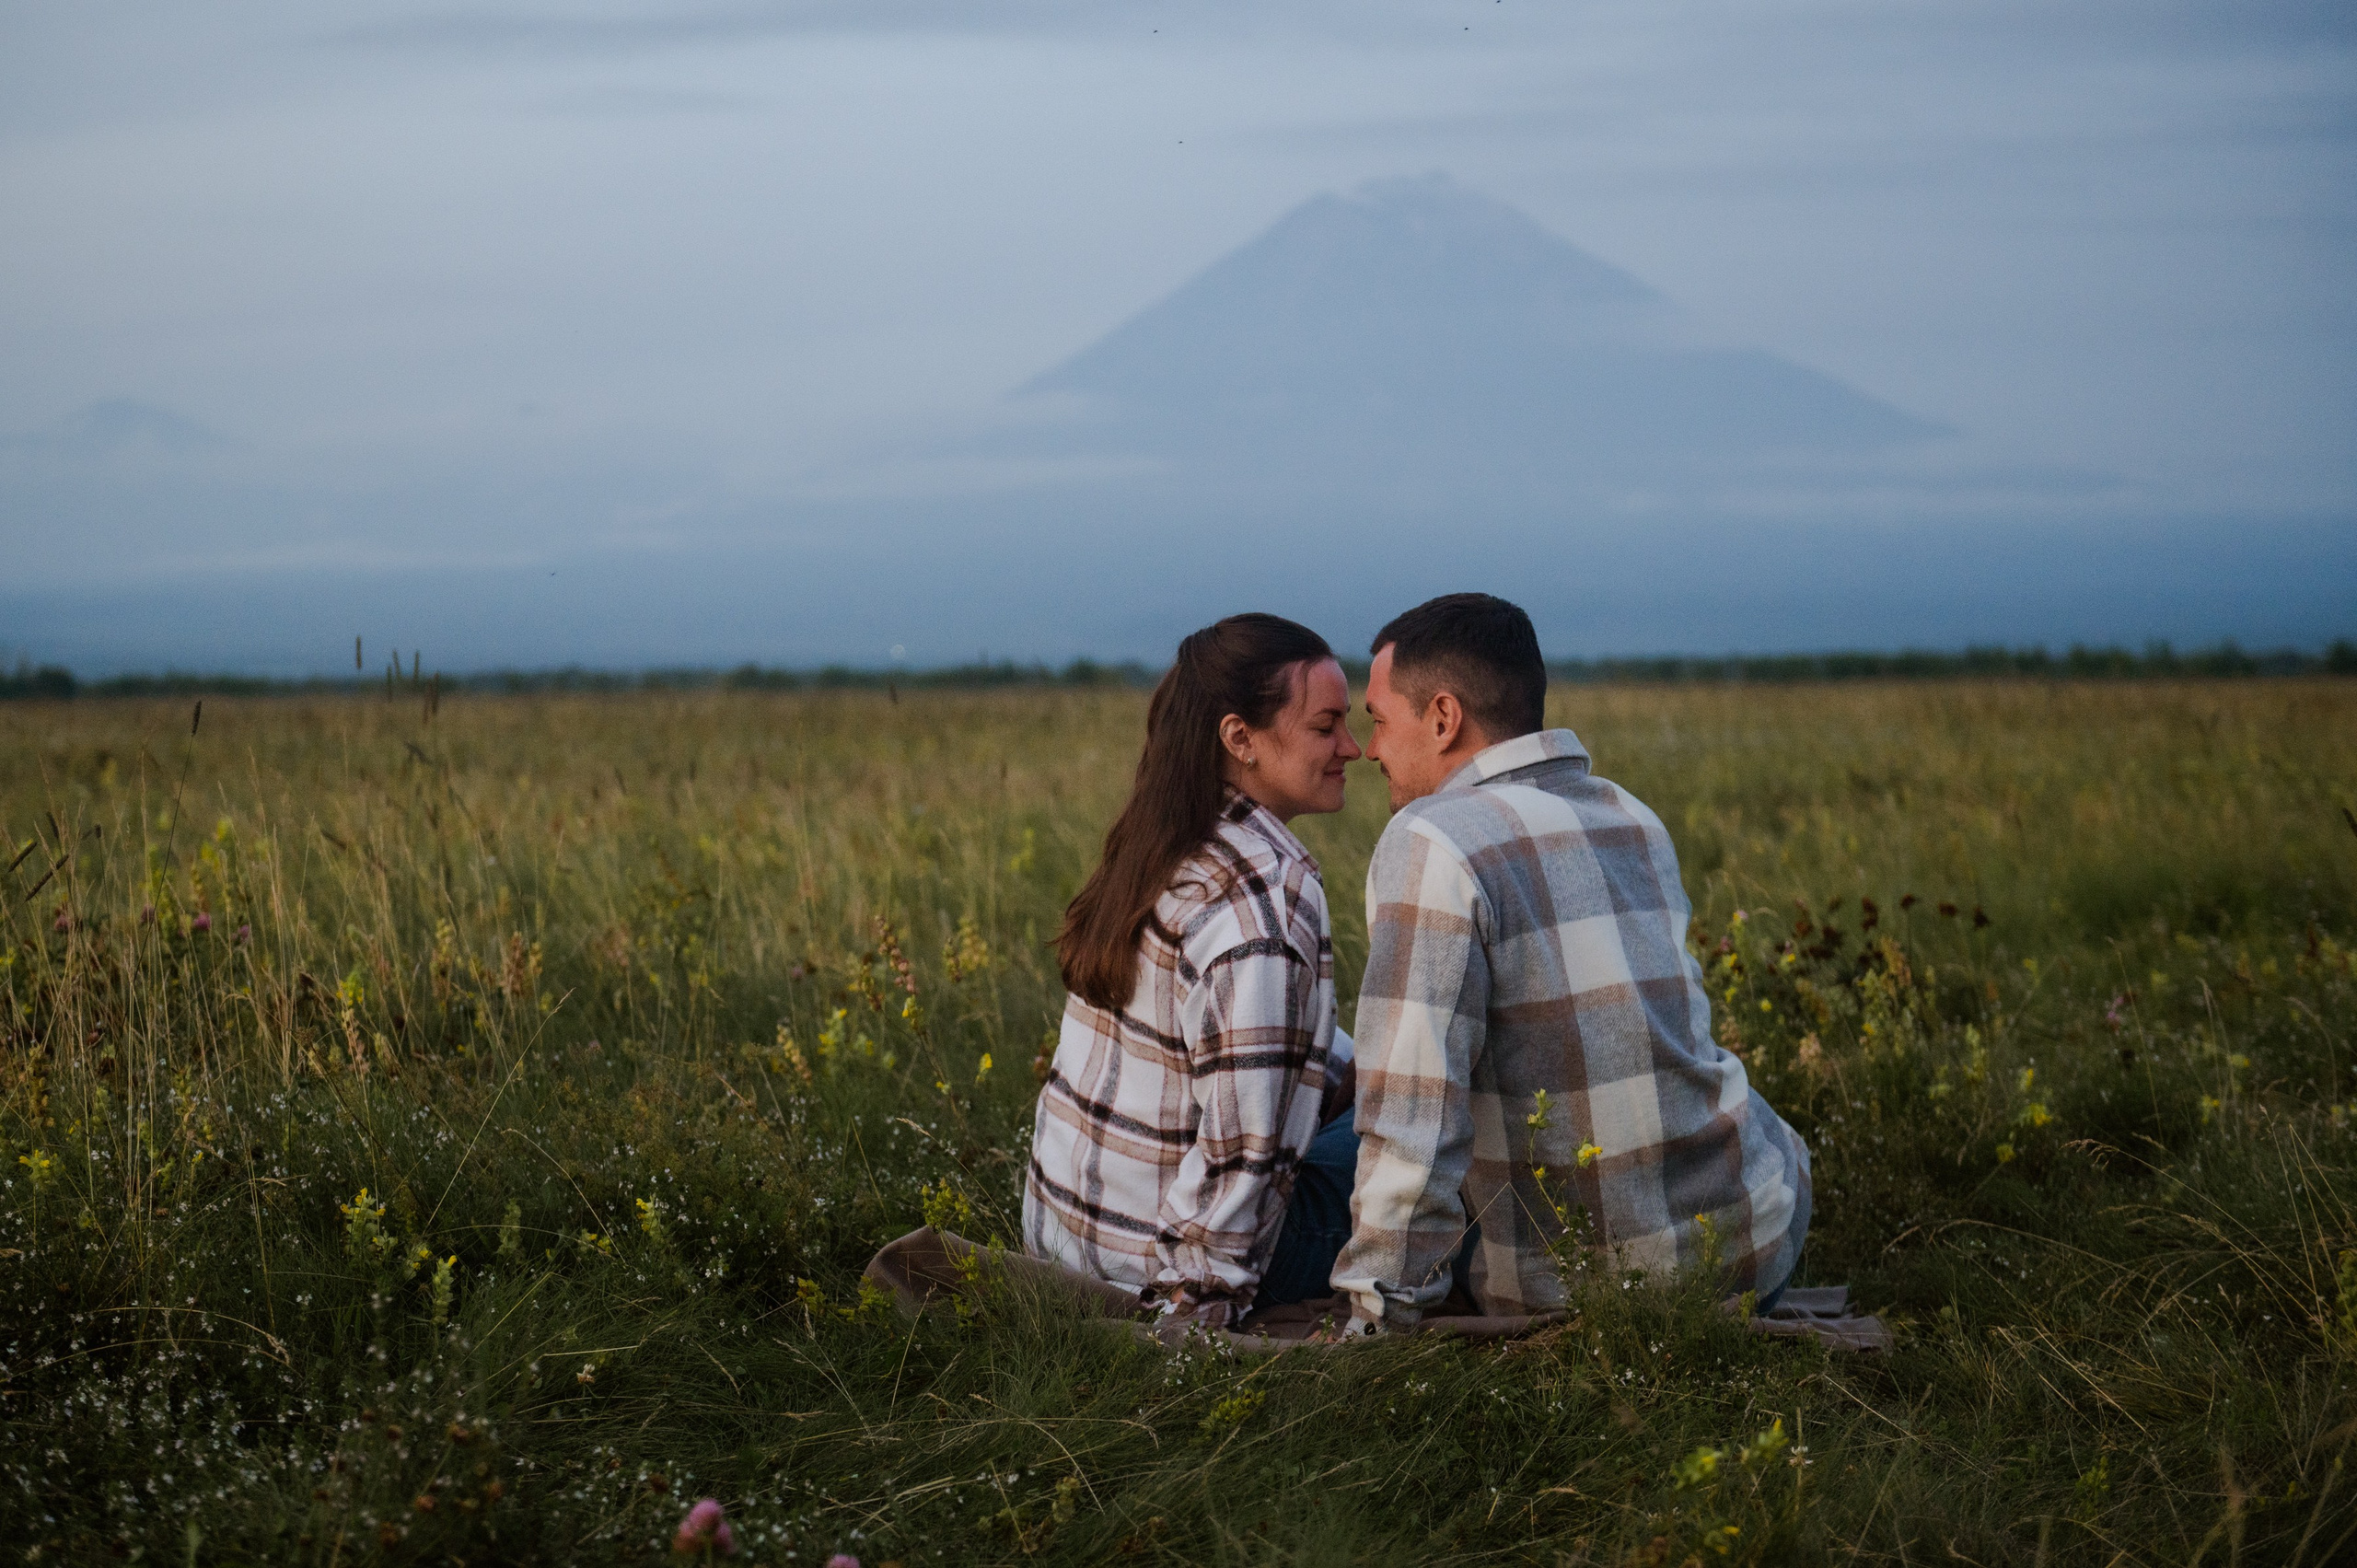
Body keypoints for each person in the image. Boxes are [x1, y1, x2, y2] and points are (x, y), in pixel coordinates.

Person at [1329, 593, 1810, 1335]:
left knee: (1342, 1144)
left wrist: (1373, 1317)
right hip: (1758, 1247)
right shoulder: (1630, 813)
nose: (1369, 751)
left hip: (1586, 1293)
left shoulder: (1430, 839)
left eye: (1379, 721)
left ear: (1444, 718)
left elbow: (1413, 1120)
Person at [1024, 612, 1364, 1329]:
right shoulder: (1263, 903)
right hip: (1156, 1268)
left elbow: (1258, 1053)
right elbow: (1242, 1158)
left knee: (1384, 1094)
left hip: (1065, 1239)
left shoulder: (1162, 846)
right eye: (1326, 726)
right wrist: (1192, 1313)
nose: (1353, 748)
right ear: (1240, 737)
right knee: (1457, 1152)